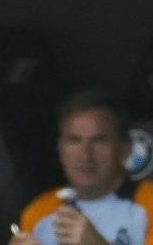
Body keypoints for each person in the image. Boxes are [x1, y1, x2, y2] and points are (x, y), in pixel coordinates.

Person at [10, 90, 153, 245]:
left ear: (125, 149)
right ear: (60, 149)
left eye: (99, 141)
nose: (85, 156)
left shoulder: (149, 204)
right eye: (74, 141)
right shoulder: (38, 211)